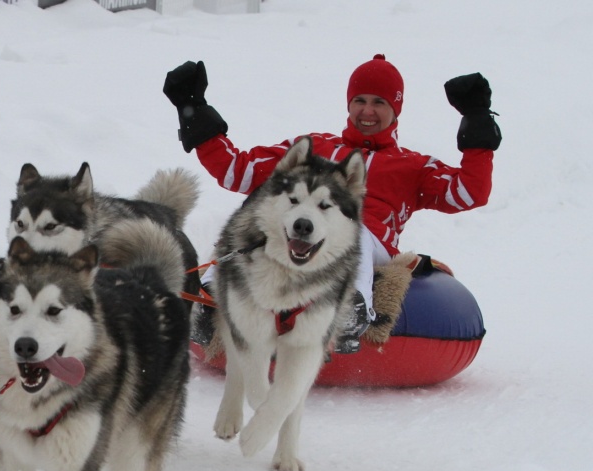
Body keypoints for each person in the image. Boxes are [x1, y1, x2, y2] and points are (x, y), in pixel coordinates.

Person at [163, 54, 500, 351]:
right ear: (349, 104)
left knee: (353, 228)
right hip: (302, 235)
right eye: (360, 100)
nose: (368, 111)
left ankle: (352, 309)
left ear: (395, 108)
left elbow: (468, 192)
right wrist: (194, 111)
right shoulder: (314, 147)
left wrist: (477, 121)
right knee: (257, 215)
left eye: (380, 102)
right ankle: (210, 302)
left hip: (368, 244)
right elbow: (240, 171)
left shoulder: (412, 166)